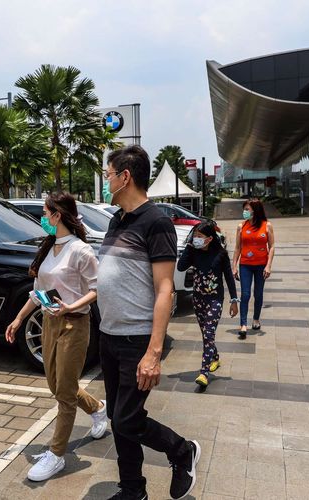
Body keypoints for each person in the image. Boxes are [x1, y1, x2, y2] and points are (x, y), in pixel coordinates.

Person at [98, 145, 200, 500]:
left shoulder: (156, 221)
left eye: (107, 173)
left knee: (127, 419)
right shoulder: (118, 220)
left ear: (125, 176)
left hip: (136, 339)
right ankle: (133, 490)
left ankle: (180, 449)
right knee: (118, 419)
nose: (104, 179)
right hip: (108, 336)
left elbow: (165, 289)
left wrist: (154, 351)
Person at [5, 191, 107, 482]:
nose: (42, 217)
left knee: (64, 391)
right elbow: (38, 293)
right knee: (57, 384)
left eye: (44, 212)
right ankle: (98, 408)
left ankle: (57, 454)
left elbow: (97, 288)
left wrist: (71, 306)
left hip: (75, 324)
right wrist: (18, 318)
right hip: (50, 323)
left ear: (57, 215)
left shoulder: (81, 250)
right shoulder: (49, 248)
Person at [177, 221, 239, 390]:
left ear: (210, 238)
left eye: (200, 236)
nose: (196, 238)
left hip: (215, 300)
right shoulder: (193, 252)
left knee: (209, 332)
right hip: (198, 300)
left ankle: (204, 372)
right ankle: (215, 357)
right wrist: (190, 246)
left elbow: (228, 278)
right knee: (206, 334)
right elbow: (181, 267)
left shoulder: (220, 254)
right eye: (195, 235)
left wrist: (234, 301)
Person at [232, 198, 275, 339]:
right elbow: (237, 248)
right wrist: (234, 266)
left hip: (261, 266)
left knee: (258, 294)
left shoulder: (267, 226)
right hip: (245, 265)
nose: (244, 212)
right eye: (244, 209)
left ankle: (256, 319)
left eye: (247, 209)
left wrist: (268, 265)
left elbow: (272, 246)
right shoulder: (241, 226)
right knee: (245, 294)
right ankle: (243, 324)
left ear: (255, 211)